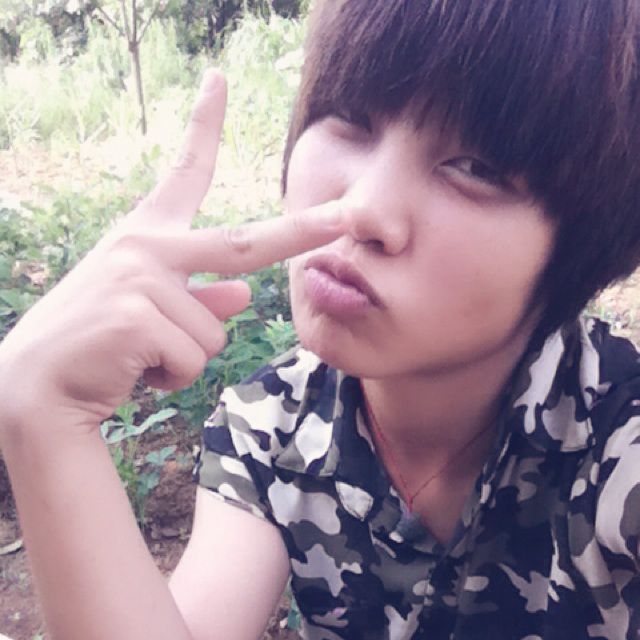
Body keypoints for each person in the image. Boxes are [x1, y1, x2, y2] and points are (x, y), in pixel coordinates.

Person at [1, 0, 640, 638]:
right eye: (351, 117)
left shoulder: (619, 446)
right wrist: (44, 417)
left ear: (585, 247)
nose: (362, 209)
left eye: (476, 169)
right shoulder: (271, 425)